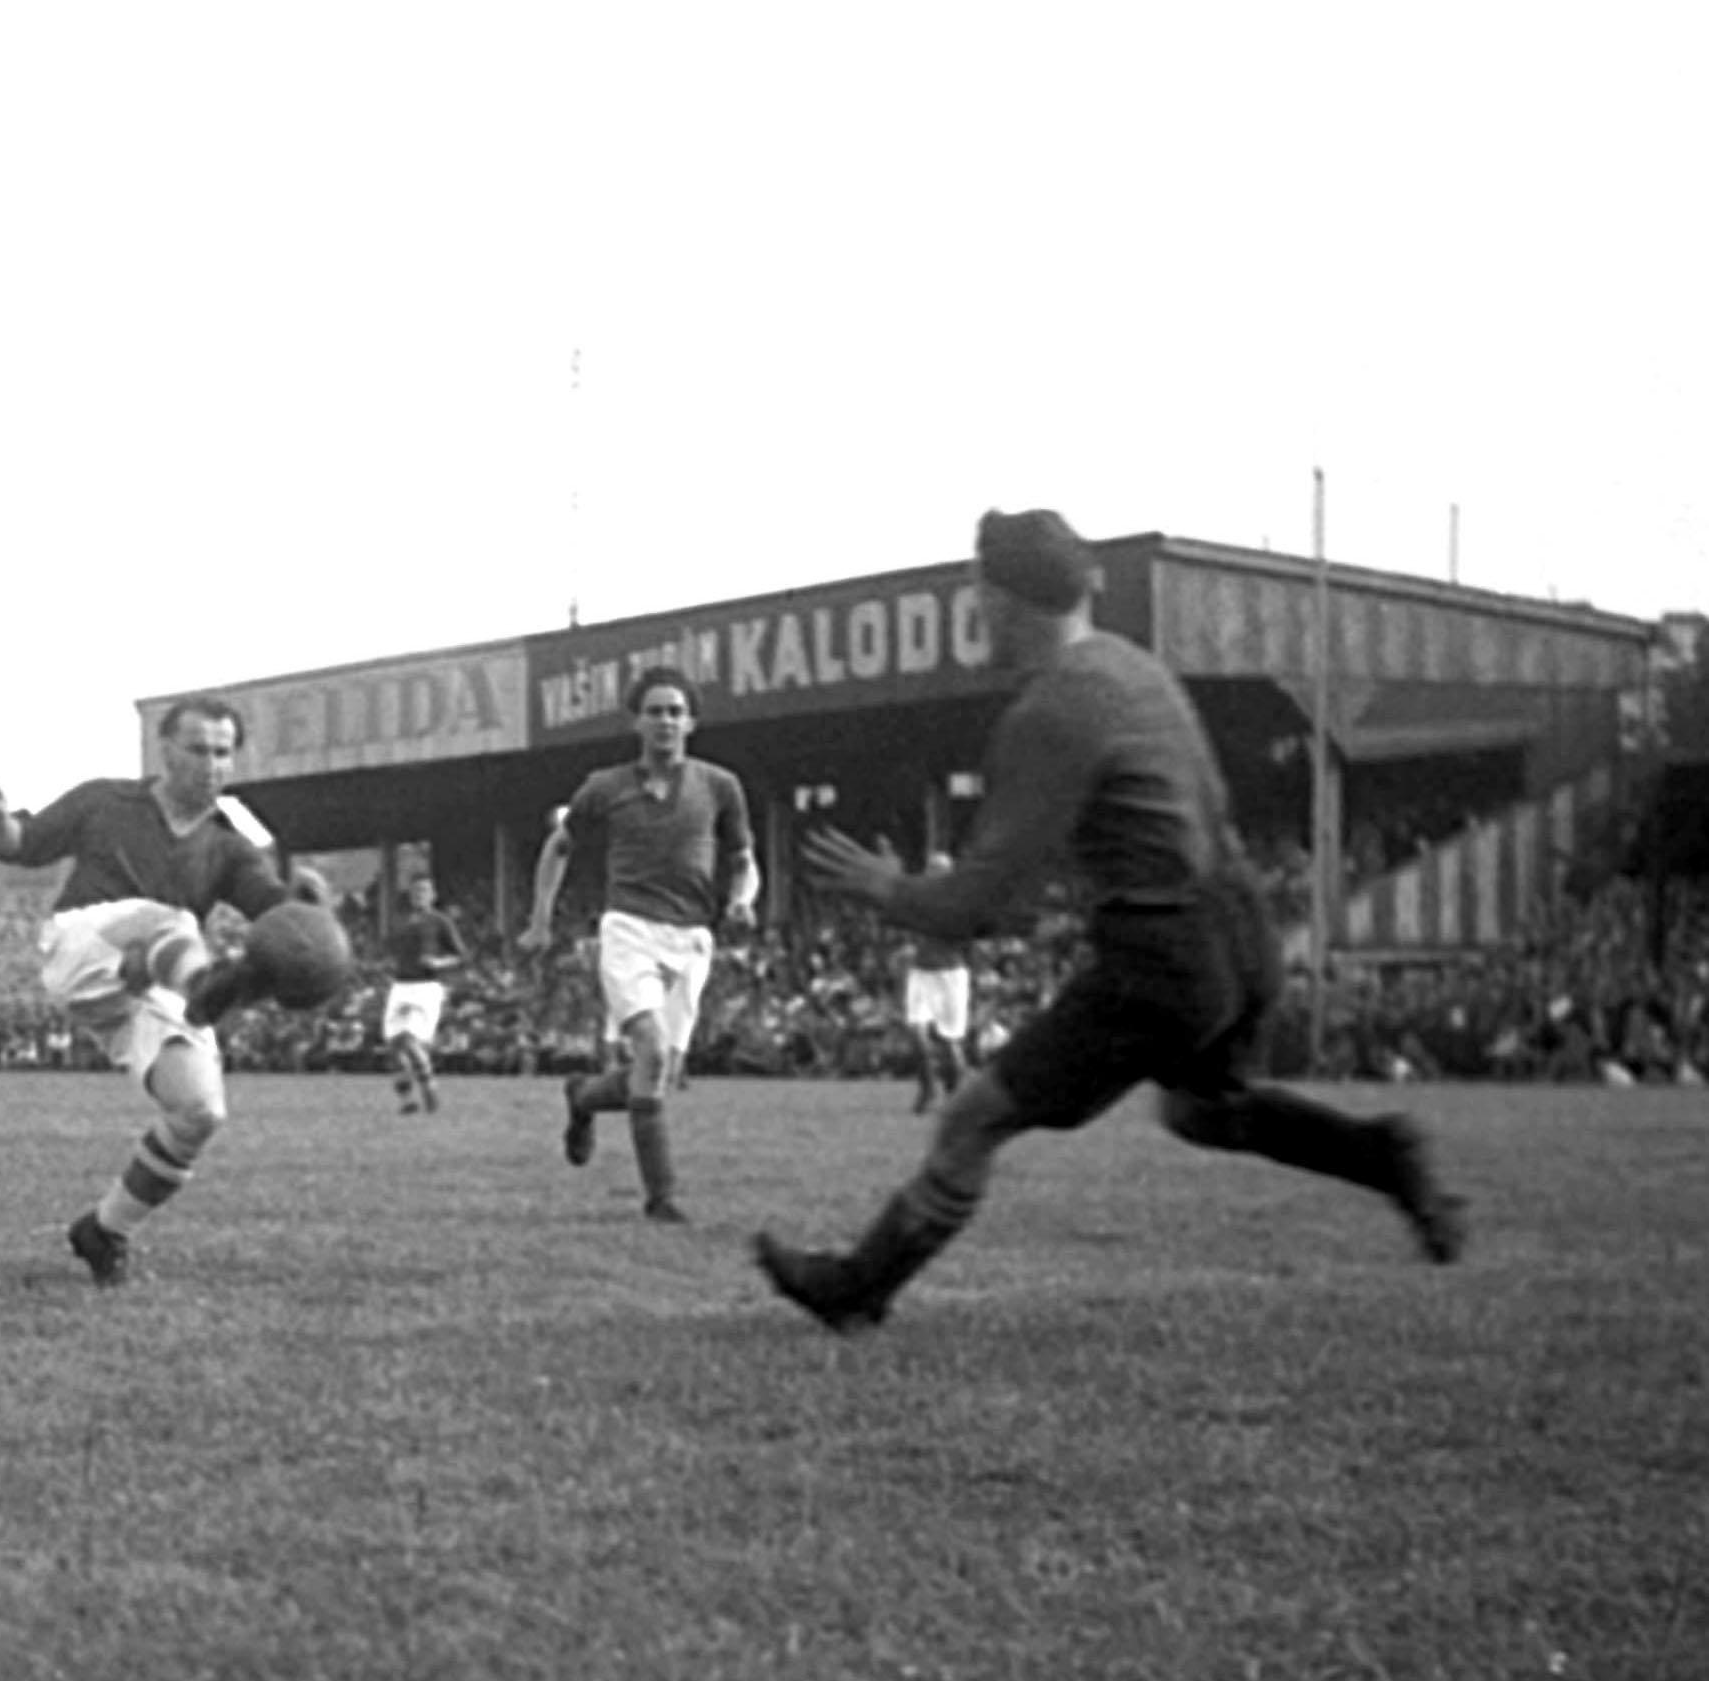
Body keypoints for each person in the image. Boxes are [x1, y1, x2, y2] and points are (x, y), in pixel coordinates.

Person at [759, 509, 1466, 1334]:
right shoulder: (1135, 668)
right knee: (1205, 1111)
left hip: (1158, 953)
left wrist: (887, 885)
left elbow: (980, 904)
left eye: (978, 595)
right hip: (1243, 935)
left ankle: (857, 1288)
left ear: (1000, 599)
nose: (975, 612)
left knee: (971, 1117)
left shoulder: (1052, 709)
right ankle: (1383, 1153)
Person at [0, 694, 328, 1285]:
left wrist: (312, 916)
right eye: (197, 750)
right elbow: (20, 844)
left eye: (223, 753)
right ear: (164, 750)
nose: (211, 765)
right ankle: (206, 983)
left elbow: (277, 918)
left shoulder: (230, 847)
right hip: (82, 947)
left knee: (198, 1112)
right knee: (174, 923)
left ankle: (105, 1230)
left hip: (158, 978)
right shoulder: (105, 801)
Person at [519, 664, 759, 1222]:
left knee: (660, 1076)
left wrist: (743, 899)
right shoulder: (605, 787)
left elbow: (745, 862)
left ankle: (582, 1098)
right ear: (637, 722)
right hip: (628, 928)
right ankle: (662, 1200)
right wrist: (540, 919)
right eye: (655, 711)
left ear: (692, 721)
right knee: (650, 1052)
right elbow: (560, 847)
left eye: (676, 711)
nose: (666, 720)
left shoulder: (720, 786)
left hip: (692, 936)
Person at [381, 875, 468, 1114]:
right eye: (416, 890)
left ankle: (429, 1085)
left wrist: (439, 963)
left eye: (424, 890)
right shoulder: (400, 922)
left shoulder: (440, 922)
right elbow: (392, 952)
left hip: (425, 986)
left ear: (433, 895)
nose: (419, 894)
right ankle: (408, 1101)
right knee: (394, 1045)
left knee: (409, 1040)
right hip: (399, 986)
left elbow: (461, 955)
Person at [901, 853, 972, 1114]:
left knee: (949, 1040)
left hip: (950, 973)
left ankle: (957, 1094)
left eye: (938, 870)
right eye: (930, 870)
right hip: (922, 971)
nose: (932, 875)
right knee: (915, 1031)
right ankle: (928, 1087)